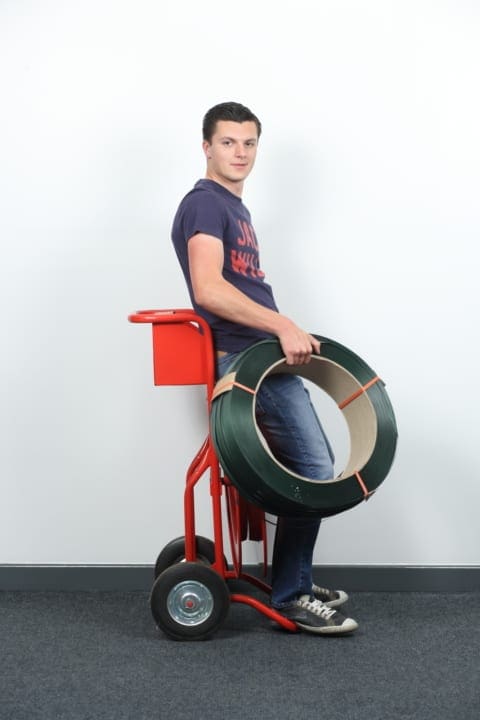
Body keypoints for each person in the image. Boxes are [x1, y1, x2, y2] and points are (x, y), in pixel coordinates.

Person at [171, 101, 358, 635]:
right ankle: (292, 595)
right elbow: (209, 289)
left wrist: (282, 333)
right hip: (246, 357)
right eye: (228, 142)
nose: (240, 153)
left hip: (262, 353)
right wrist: (281, 324)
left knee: (308, 467)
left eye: (249, 143)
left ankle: (294, 578)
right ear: (206, 147)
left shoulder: (234, 208)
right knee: (315, 469)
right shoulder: (205, 204)